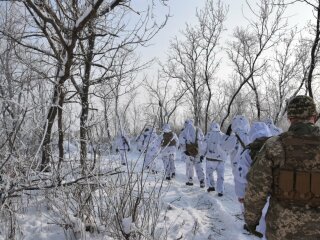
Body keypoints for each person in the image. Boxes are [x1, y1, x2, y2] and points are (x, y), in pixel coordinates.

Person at [244, 95, 320, 240]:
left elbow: (256, 188)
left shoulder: (274, 145)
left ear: (290, 118)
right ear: (314, 116)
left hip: (281, 230)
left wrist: (251, 221)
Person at [203, 122, 228, 196]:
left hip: (210, 159)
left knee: (209, 173)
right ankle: (220, 191)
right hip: (221, 160)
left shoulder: (208, 135)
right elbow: (227, 147)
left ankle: (211, 186)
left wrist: (202, 155)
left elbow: (203, 146)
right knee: (220, 175)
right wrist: (225, 156)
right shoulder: (223, 136)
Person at [179, 119, 205, 188]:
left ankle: (190, 180)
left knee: (189, 165)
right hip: (197, 151)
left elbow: (182, 141)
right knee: (198, 166)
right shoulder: (198, 129)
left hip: (189, 151)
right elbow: (203, 140)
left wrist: (184, 151)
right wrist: (202, 153)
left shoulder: (184, 130)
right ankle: (202, 181)